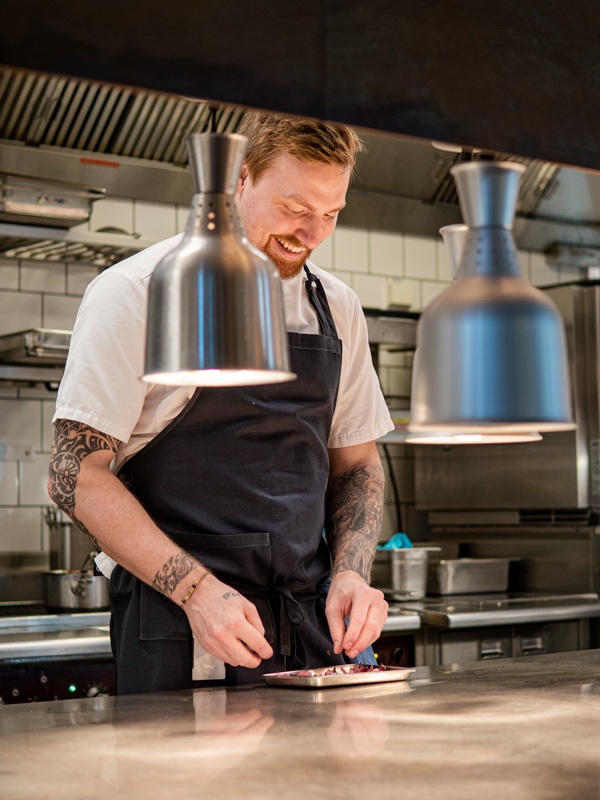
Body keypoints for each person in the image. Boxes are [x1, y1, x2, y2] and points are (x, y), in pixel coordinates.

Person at [48, 111, 394, 694]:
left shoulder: (338, 309)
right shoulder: (137, 292)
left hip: (311, 626)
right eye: (294, 207)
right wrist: (198, 593)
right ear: (239, 178)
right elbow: (73, 476)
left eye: (331, 213)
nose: (312, 234)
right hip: (183, 628)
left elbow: (357, 463)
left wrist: (351, 575)